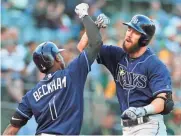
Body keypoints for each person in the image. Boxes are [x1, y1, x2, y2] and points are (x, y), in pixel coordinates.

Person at [3, 3, 103, 135]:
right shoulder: (72, 73)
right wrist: (84, 14)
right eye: (59, 54)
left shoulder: (31, 95)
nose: (61, 56)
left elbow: (11, 130)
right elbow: (96, 43)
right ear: (56, 58)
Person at [77, 14, 174, 135]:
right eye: (129, 29)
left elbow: (163, 101)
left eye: (135, 32)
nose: (128, 34)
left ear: (144, 39)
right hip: (127, 128)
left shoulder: (155, 65)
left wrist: (142, 110)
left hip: (149, 126)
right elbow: (82, 47)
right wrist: (94, 27)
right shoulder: (117, 55)